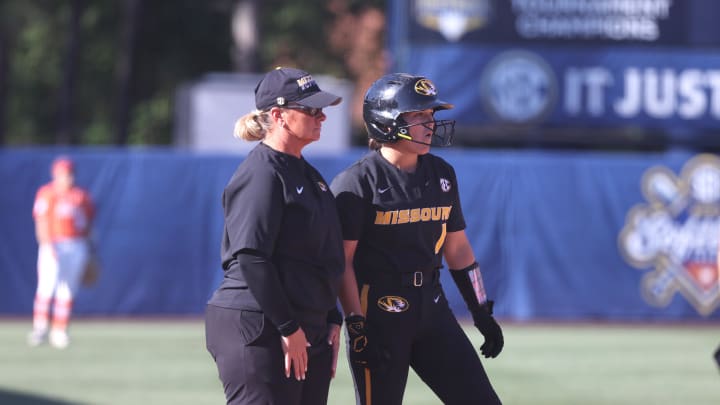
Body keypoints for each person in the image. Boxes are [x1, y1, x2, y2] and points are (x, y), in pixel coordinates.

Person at [331, 73, 504, 405]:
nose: (430, 124)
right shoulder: (356, 183)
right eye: (418, 115)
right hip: (379, 312)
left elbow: (457, 248)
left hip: (432, 306)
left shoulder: (441, 174)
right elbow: (343, 263)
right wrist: (355, 323)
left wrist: (481, 309)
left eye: (431, 115)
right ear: (386, 121)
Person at [205, 67, 350, 405]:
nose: (322, 117)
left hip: (303, 322)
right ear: (278, 115)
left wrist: (331, 316)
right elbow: (252, 257)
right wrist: (288, 327)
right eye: (311, 110)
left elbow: (322, 252)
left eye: (322, 109)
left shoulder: (308, 174)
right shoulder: (262, 173)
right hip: (259, 322)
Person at [28, 156, 95, 349]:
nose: (68, 178)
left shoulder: (81, 196)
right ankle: (40, 328)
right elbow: (41, 222)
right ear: (55, 175)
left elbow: (89, 225)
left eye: (70, 174)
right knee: (46, 287)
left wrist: (90, 250)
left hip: (76, 244)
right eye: (64, 174)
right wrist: (47, 245)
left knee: (67, 290)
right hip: (53, 243)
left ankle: (59, 331)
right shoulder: (47, 193)